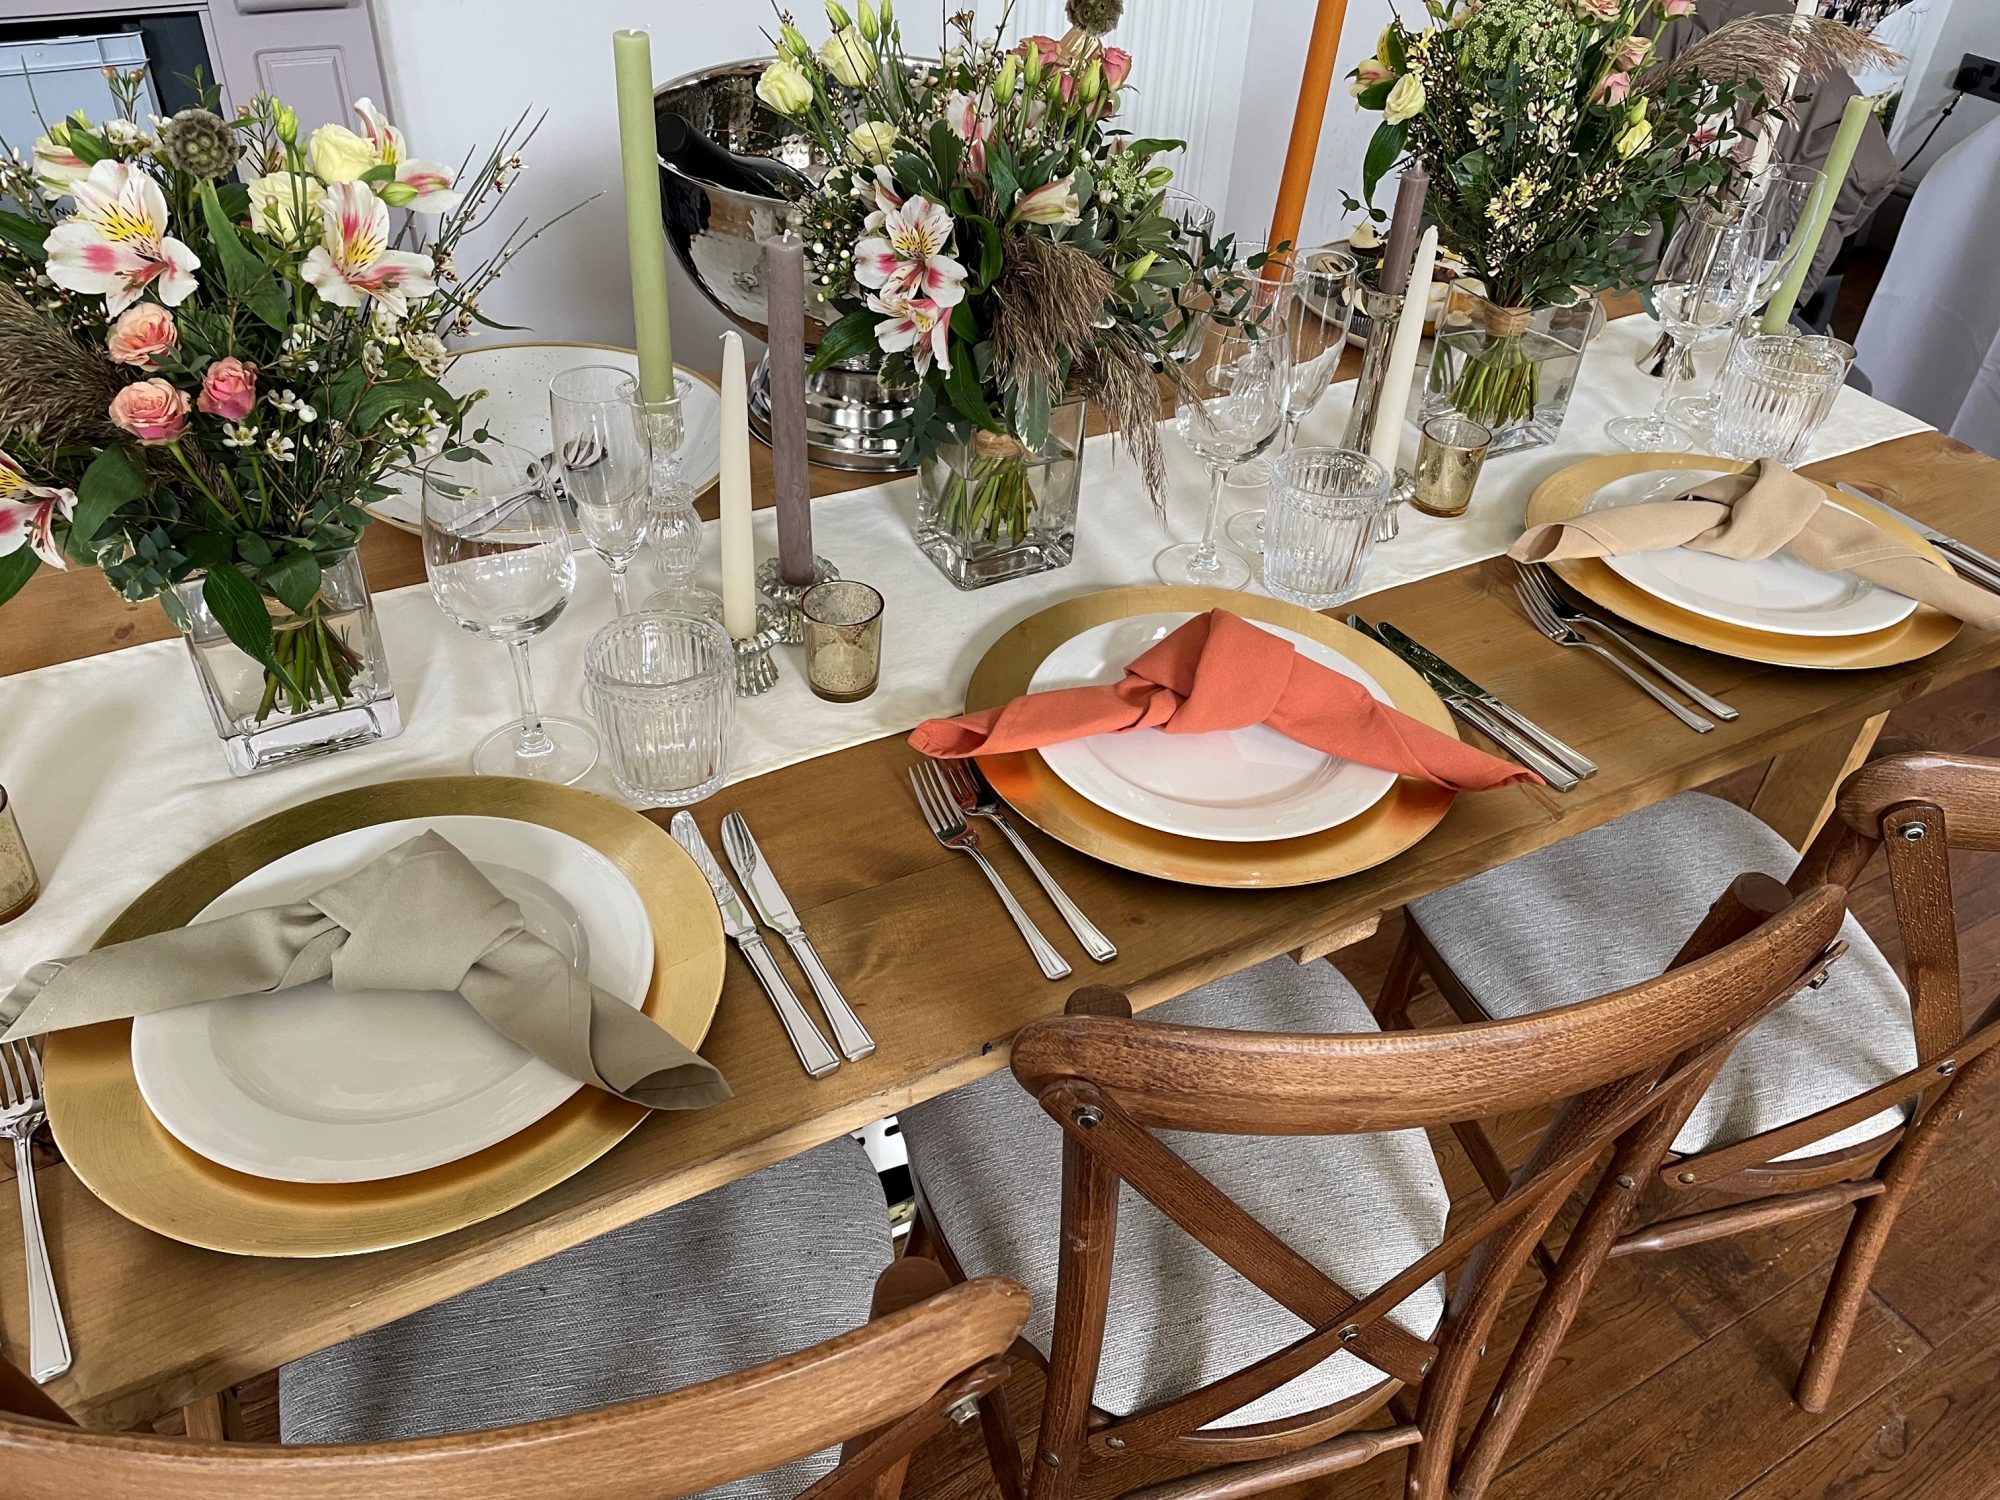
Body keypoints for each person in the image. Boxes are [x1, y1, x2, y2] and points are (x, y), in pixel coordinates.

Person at [1653, 0, 1901, 298]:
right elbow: (1869, 171)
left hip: (1651, 261)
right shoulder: (1812, 59)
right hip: (1727, 284)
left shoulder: (1643, 17)